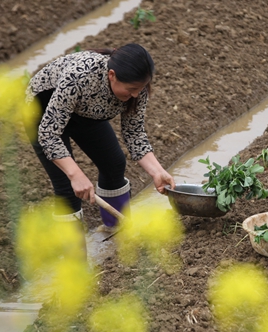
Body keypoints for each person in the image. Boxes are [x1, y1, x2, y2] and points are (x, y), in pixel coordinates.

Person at [26, 43, 175, 229]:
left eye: (140, 88)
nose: (136, 94)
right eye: (130, 89)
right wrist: (76, 174)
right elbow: (49, 134)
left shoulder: (138, 90)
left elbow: (134, 133)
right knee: (68, 188)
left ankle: (117, 232)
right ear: (112, 75)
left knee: (114, 164)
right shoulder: (80, 76)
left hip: (85, 112)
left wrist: (157, 172)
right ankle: (72, 256)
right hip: (43, 115)